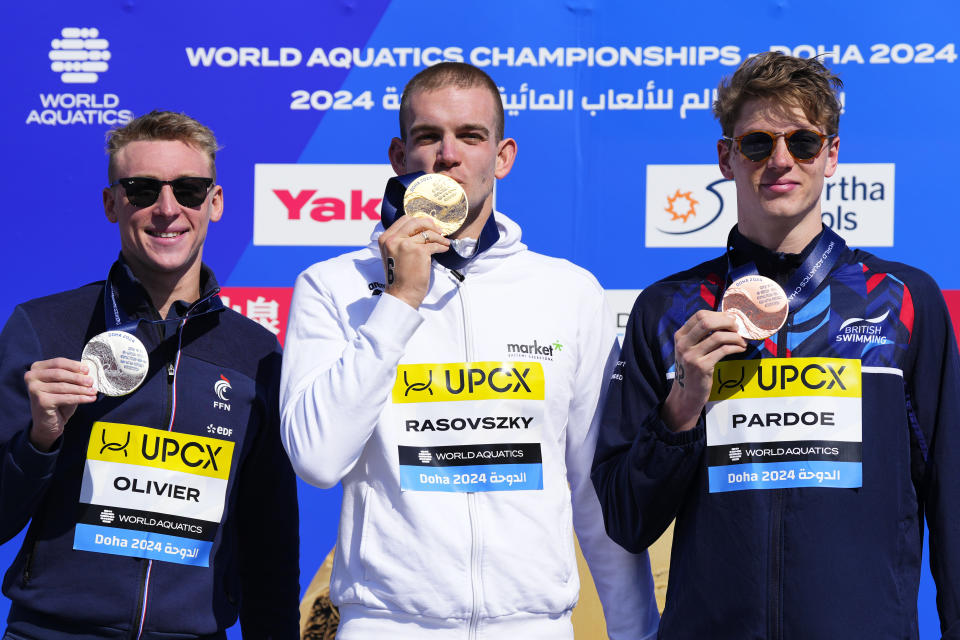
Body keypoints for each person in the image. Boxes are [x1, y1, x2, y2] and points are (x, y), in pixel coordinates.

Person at [280, 62, 658, 639]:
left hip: (532, 626)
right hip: (387, 625)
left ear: (502, 156)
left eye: (470, 136)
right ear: (399, 156)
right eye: (428, 137)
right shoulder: (333, 286)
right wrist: (401, 298)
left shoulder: (568, 291)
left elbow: (591, 489)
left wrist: (637, 631)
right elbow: (316, 459)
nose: (448, 155)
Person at [592, 51, 960, 638]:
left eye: (804, 143)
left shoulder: (901, 299)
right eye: (758, 144)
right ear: (726, 157)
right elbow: (626, 520)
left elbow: (952, 499)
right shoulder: (670, 309)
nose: (781, 161)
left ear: (832, 155)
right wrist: (683, 406)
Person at [0, 111, 300, 638]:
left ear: (215, 202)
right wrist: (40, 440)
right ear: (112, 203)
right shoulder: (45, 327)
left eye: (188, 188)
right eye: (141, 189)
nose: (167, 209)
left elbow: (268, 540)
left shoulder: (255, 353)